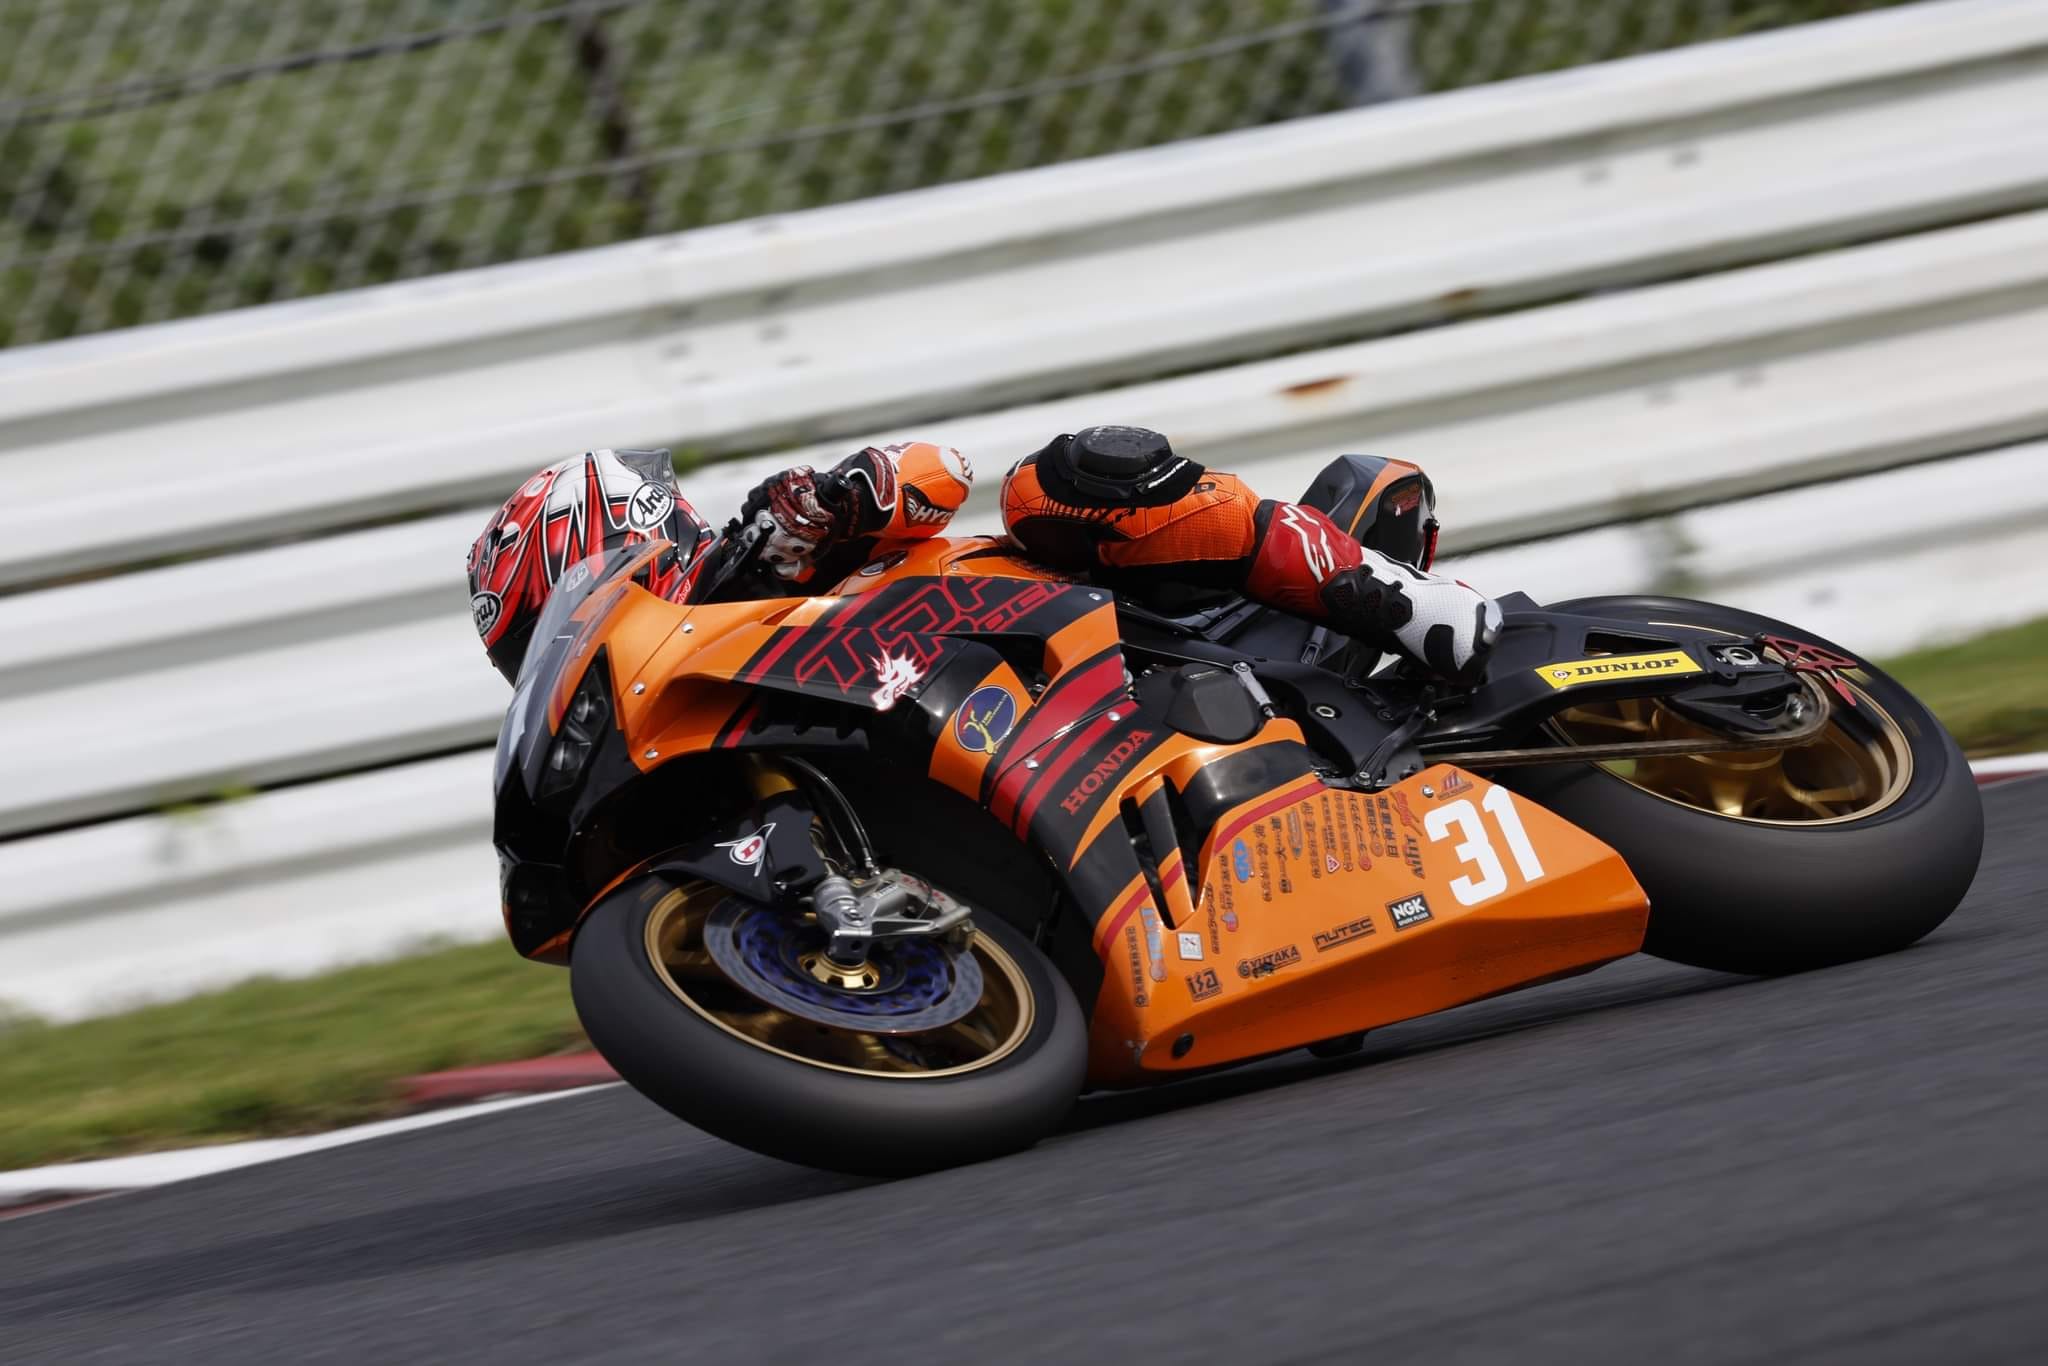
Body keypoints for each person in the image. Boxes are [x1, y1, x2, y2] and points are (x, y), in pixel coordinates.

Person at [465, 428, 1498, 684]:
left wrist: (846, 496)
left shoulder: (771, 544)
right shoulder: (687, 701)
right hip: (990, 742)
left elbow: (939, 471)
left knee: (1056, 482)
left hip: (1107, 638)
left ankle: (1408, 607)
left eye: (537, 632)